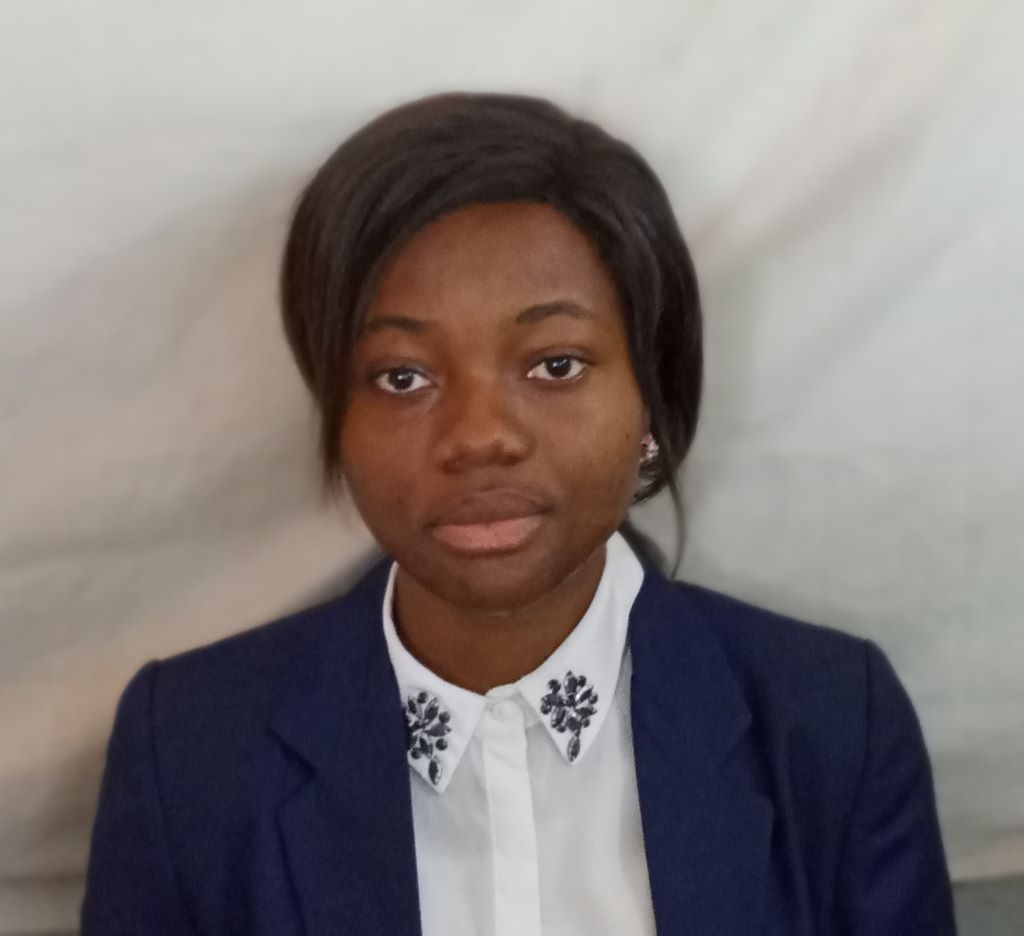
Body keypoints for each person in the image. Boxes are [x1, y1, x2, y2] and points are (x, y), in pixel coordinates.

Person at [81, 92, 957, 935]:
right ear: (338, 416)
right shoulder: (188, 749)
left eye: (555, 364)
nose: (479, 438)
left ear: (650, 402)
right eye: (402, 376)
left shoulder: (832, 723)